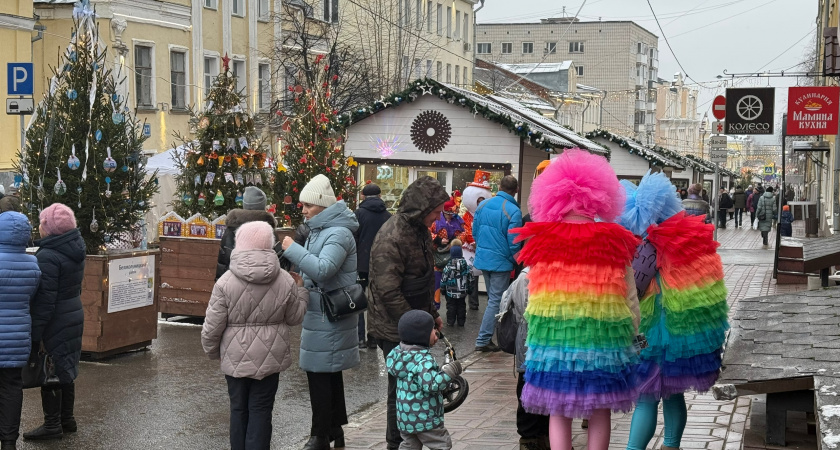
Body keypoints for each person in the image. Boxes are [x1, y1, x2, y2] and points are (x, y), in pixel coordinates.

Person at [514, 149, 640, 450]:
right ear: (600, 196)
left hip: (554, 340)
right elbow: (630, 298)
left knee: (558, 409)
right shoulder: (614, 239)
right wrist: (633, 334)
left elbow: (532, 294)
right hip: (603, 340)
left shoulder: (542, 239)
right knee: (600, 408)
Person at [619, 171, 729, 450]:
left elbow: (633, 290)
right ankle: (671, 446)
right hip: (687, 337)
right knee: (674, 393)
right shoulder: (695, 238)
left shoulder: (649, 247)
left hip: (648, 335)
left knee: (646, 396)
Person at [201, 221, 309, 450]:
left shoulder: (225, 282)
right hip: (270, 359)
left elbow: (212, 326)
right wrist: (301, 291)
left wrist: (213, 352)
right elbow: (294, 318)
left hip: (234, 358)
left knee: (238, 409)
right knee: (261, 410)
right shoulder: (285, 280)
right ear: (269, 245)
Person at [280, 174, 360, 450]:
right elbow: (316, 271)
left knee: (319, 372)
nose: (302, 210)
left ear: (322, 206)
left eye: (307, 205)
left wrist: (294, 251)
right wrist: (302, 279)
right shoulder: (322, 230)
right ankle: (333, 428)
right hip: (321, 312)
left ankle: (319, 435)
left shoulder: (338, 232)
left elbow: (324, 269)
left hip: (329, 314)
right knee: (326, 371)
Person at [368, 176, 449, 450]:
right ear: (422, 209)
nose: (438, 217)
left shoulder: (419, 230)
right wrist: (417, 328)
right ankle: (396, 442)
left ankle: (409, 440)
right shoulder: (392, 237)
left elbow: (424, 279)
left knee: (411, 385)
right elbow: (388, 290)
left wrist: (432, 314)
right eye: (436, 212)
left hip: (413, 318)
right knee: (399, 389)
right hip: (394, 324)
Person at [24, 203, 85, 441]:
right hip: (73, 312)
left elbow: (45, 302)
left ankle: (52, 424)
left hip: (56, 319)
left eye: (42, 223)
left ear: (50, 229)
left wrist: (36, 334)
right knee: (65, 367)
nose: (38, 227)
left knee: (50, 368)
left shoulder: (48, 256)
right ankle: (66, 419)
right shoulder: (75, 248)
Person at [385, 310, 462, 450]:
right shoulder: (422, 360)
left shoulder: (399, 355)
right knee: (441, 444)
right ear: (421, 335)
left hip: (405, 418)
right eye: (432, 329)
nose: (436, 332)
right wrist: (450, 371)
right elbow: (432, 384)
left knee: (410, 445)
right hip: (424, 419)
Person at [0, 212, 42, 450]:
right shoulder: (32, 265)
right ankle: (8, 442)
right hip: (16, 337)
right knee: (12, 386)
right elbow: (32, 297)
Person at [499, 266, 550, 450]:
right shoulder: (527, 276)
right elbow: (524, 310)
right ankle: (528, 437)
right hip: (531, 343)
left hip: (546, 345)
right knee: (527, 389)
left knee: (547, 391)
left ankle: (544, 433)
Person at [473, 175, 523, 353]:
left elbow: (475, 231)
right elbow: (514, 242)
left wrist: (482, 249)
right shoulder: (513, 211)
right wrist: (517, 260)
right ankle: (483, 339)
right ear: (515, 191)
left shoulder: (483, 205)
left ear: (500, 186)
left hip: (484, 259)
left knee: (492, 300)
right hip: (501, 262)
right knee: (495, 300)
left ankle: (488, 337)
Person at [354, 182, 392, 349]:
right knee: (377, 301)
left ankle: (360, 337)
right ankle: (374, 338)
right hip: (382, 264)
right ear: (380, 196)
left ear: (363, 196)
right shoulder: (389, 216)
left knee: (359, 299)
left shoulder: (358, 214)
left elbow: (353, 239)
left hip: (361, 263)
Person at [216, 186, 275, 280]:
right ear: (263, 206)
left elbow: (223, 264)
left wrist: (221, 287)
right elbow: (278, 263)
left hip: (234, 287)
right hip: (266, 287)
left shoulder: (231, 230)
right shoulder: (270, 231)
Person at [459, 171, 493, 311]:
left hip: (483, 249)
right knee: (472, 276)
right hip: (470, 250)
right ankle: (473, 303)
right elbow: (465, 231)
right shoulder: (466, 216)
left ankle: (491, 302)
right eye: (478, 200)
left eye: (481, 200)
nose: (479, 203)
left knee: (486, 275)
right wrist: (471, 241)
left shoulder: (487, 214)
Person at [431, 199, 465, 310]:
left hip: (453, 256)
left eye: (452, 214)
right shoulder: (436, 220)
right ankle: (436, 304)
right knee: (437, 280)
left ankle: (452, 307)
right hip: (438, 256)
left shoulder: (458, 220)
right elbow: (427, 231)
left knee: (452, 281)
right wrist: (438, 240)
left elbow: (464, 233)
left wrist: (455, 241)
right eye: (447, 214)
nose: (450, 216)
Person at [440, 239, 472, 327]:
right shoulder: (466, 266)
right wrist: (470, 289)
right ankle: (461, 322)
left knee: (451, 306)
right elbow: (471, 278)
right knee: (462, 305)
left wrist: (442, 288)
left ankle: (450, 321)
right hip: (462, 290)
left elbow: (444, 278)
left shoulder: (448, 266)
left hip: (450, 291)